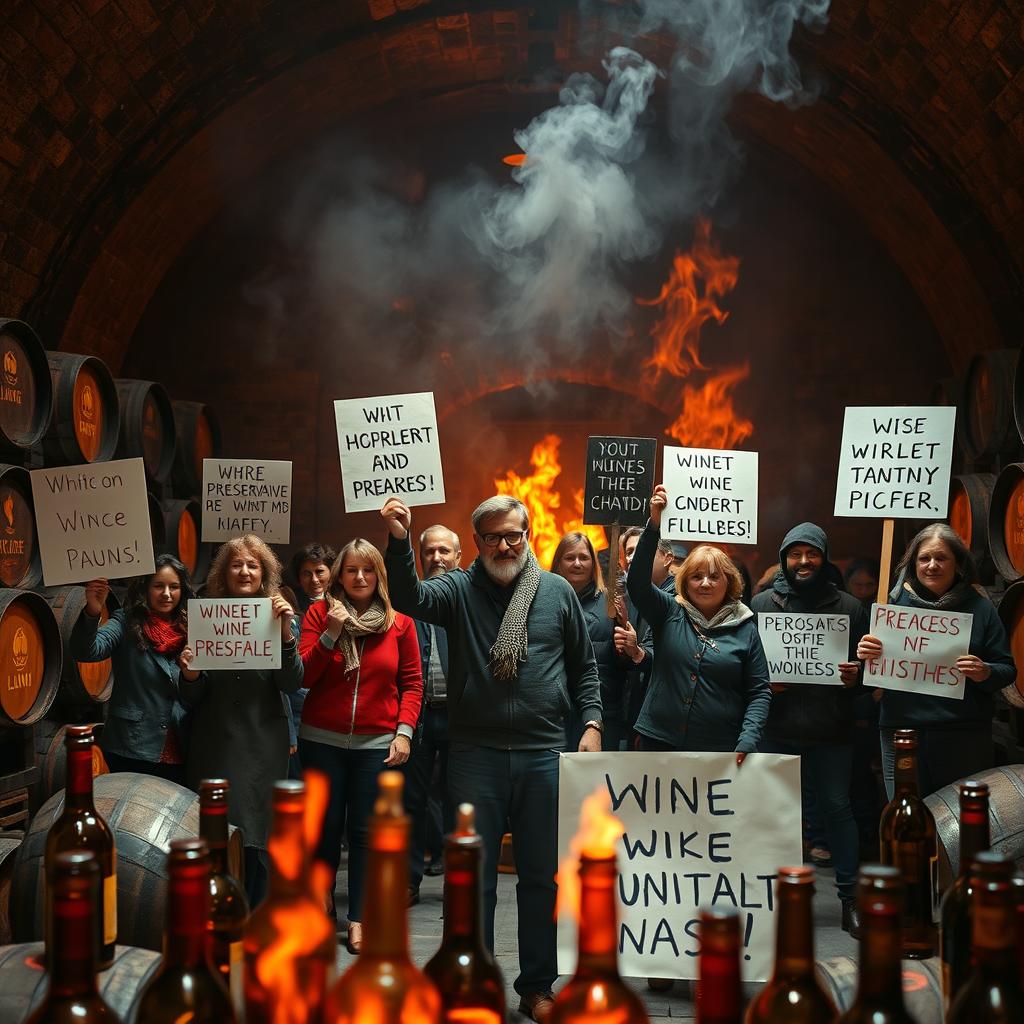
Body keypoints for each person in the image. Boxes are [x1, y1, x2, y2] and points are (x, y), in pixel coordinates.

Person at [381, 494, 602, 1023]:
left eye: (514, 535)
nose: (505, 545)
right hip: (475, 756)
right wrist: (397, 539)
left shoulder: (556, 594)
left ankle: (536, 987)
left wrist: (591, 723)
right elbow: (409, 596)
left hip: (543, 754)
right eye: (493, 537)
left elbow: (584, 668)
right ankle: (473, 981)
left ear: (530, 534)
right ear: (475, 542)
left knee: (540, 877)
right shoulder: (457, 590)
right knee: (471, 876)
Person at [298, 537, 422, 954]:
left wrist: (404, 732)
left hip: (377, 744)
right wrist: (332, 633)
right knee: (325, 829)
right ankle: (321, 906)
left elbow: (412, 684)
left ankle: (359, 919)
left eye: (367, 570)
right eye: (351, 570)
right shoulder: (317, 615)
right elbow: (304, 674)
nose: (359, 577)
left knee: (366, 834)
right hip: (321, 741)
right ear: (340, 576)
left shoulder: (399, 624)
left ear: (379, 576)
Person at [749, 523, 868, 935]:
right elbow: (747, 667)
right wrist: (764, 680)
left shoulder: (850, 609)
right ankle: (776, 903)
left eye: (811, 553)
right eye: (795, 554)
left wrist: (857, 679)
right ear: (784, 559)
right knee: (774, 817)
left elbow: (867, 680)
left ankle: (850, 898)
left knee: (837, 810)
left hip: (831, 730)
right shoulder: (761, 604)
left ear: (824, 557)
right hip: (776, 729)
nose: (803, 562)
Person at [184, 535, 302, 907]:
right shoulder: (206, 614)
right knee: (216, 830)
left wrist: (285, 633)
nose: (245, 571)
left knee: (258, 833)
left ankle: (256, 914)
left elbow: (292, 682)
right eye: (236, 564)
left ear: (264, 572)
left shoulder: (275, 613)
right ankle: (219, 912)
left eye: (252, 565)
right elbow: (190, 697)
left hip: (261, 744)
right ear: (225, 571)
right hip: (214, 742)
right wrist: (190, 675)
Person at [856, 523, 1015, 797]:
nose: (932, 565)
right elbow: (868, 680)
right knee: (906, 821)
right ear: (913, 564)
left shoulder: (980, 607)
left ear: (958, 563)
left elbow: (1007, 670)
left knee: (958, 827)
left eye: (941, 558)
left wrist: (985, 671)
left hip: (963, 736)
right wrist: (865, 658)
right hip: (902, 732)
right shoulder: (893, 607)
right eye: (924, 558)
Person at [626, 484, 771, 761]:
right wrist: (654, 525)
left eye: (714, 576)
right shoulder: (669, 610)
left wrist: (748, 738)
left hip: (719, 750)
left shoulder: (745, 627)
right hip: (659, 742)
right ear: (685, 582)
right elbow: (637, 584)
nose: (705, 583)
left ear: (728, 582)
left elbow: (759, 690)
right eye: (696, 576)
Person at [71, 556, 199, 785]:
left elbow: (199, 692)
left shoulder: (194, 628)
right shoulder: (125, 621)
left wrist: (192, 678)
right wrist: (93, 611)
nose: (167, 594)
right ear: (146, 588)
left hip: (181, 745)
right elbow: (87, 651)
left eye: (174, 587)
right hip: (131, 745)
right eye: (158, 586)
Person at [405, 525, 461, 905]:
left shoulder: (468, 600)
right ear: (420, 557)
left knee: (461, 800)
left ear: (458, 557)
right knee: (411, 799)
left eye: (444, 551)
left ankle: (460, 882)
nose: (437, 558)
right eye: (429, 551)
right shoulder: (409, 600)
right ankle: (409, 882)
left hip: (460, 717)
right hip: (417, 717)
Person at [551, 531, 628, 752]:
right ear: (558, 562)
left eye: (584, 557)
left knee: (596, 785)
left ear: (593, 563)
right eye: (570, 557)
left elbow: (624, 664)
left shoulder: (611, 603)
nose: (577, 563)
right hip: (555, 715)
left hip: (603, 712)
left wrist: (626, 648)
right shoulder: (544, 600)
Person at [614, 524, 676, 743]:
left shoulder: (679, 598)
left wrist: (638, 652)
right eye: (629, 552)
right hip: (638, 710)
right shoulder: (633, 601)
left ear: (668, 558)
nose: (633, 558)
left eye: (640, 550)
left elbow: (667, 657)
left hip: (665, 718)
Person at [290, 542, 337, 619]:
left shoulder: (342, 601)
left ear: (331, 572)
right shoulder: (289, 602)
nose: (314, 580)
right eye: (307, 574)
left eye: (320, 572)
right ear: (298, 577)